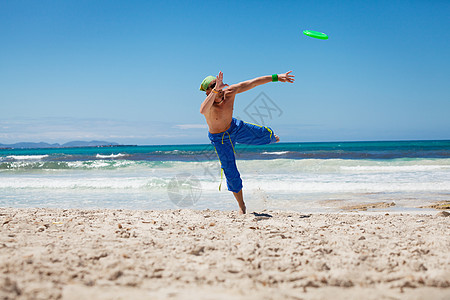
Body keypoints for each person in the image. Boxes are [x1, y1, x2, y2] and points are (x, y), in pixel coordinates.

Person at [199, 71, 295, 214]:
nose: (217, 87)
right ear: (208, 92)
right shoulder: (209, 105)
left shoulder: (230, 92)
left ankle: (270, 138)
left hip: (235, 128)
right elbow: (202, 110)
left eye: (217, 83)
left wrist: (276, 77)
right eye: (213, 86)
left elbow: (252, 82)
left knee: (265, 134)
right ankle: (241, 205)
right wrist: (215, 89)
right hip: (220, 140)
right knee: (231, 173)